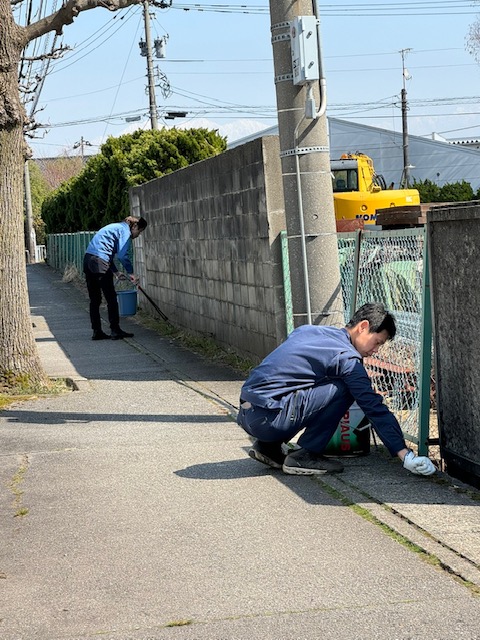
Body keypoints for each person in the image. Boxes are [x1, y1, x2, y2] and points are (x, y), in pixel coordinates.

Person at [237, 302, 436, 477]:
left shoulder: (309, 331)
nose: (376, 350)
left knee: (307, 385)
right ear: (363, 327)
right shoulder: (346, 358)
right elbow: (372, 405)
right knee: (345, 388)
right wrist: (404, 454)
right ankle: (305, 454)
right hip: (270, 420)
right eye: (377, 342)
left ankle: (268, 448)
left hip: (249, 411)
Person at [83, 216, 147, 340]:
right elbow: (122, 255)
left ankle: (97, 331)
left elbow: (107, 252)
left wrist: (116, 272)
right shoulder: (124, 231)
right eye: (139, 232)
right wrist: (131, 273)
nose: (138, 235)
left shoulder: (114, 227)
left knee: (95, 299)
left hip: (88, 260)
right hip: (100, 262)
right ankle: (115, 330)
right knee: (111, 298)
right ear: (134, 226)